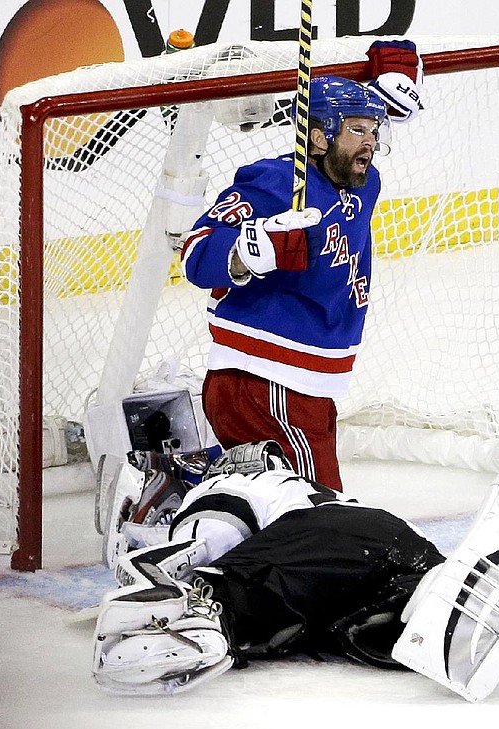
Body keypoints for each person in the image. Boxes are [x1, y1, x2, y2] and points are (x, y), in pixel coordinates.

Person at [92, 433, 499, 701]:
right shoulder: (288, 482)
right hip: (382, 541)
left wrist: (162, 588)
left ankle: (200, 623)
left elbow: (200, 549)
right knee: (393, 632)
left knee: (226, 596)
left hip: (318, 545)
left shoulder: (218, 490)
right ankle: (440, 594)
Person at [180, 41, 424, 491]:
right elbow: (195, 253)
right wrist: (251, 250)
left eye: (374, 131)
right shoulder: (278, 184)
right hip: (264, 379)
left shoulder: (362, 178)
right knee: (321, 516)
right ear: (316, 136)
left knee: (272, 507)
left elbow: (371, 114)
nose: (369, 142)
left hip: (301, 381)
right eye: (357, 130)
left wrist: (396, 75)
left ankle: (181, 484)